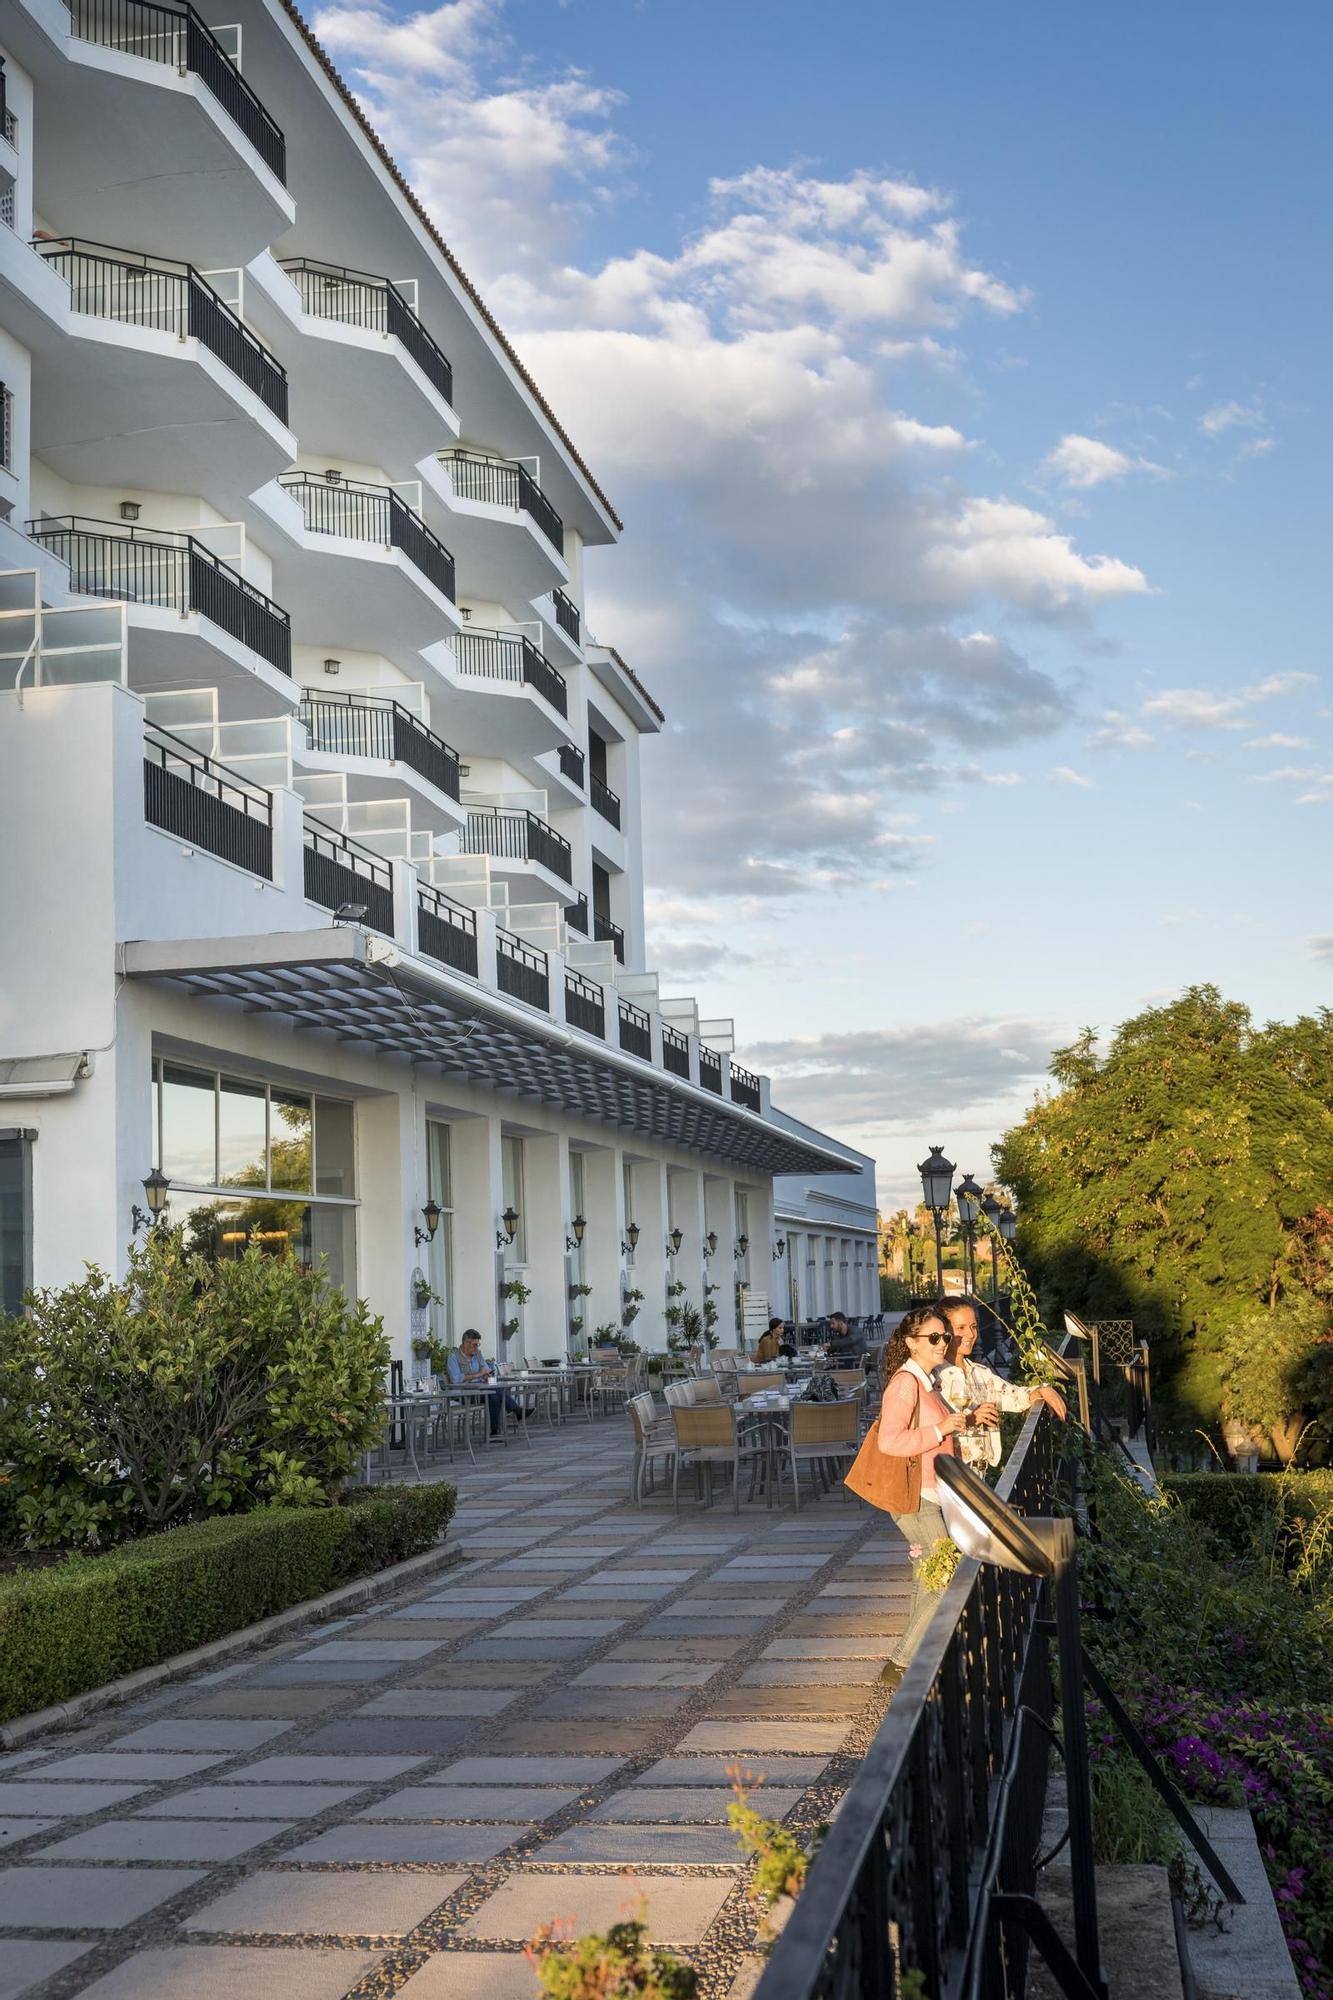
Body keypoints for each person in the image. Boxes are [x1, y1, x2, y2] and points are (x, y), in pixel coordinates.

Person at [876, 1302, 999, 1672]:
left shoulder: (928, 1381)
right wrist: (941, 1430)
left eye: (944, 1336)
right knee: (946, 1573)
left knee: (927, 1576)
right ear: (912, 1343)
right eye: (933, 1337)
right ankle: (900, 1665)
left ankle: (922, 1659)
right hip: (915, 1495)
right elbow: (889, 1442)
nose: (942, 1342)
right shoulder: (905, 1383)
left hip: (933, 1490)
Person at [936, 1299, 1066, 1469]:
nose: (970, 1334)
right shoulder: (936, 1377)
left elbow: (1012, 1396)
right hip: (952, 1476)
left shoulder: (980, 1373)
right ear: (943, 1331)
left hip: (979, 1474)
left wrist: (1043, 1390)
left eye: (973, 1326)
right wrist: (970, 1419)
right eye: (961, 1328)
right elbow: (929, 1430)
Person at [446, 1328, 523, 1439]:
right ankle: (516, 1411)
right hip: (463, 1393)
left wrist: (487, 1375)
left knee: (494, 1396)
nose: (477, 1347)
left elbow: (485, 1369)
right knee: (495, 1393)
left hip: (479, 1390)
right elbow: (455, 1379)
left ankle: (495, 1431)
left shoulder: (478, 1354)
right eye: (474, 1345)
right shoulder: (453, 1357)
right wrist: (478, 1374)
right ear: (466, 1343)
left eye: (478, 1344)